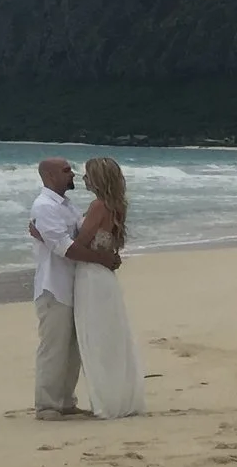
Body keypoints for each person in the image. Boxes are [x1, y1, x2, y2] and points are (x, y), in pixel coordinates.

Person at [72, 156, 147, 418]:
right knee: (110, 337)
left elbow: (80, 243)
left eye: (88, 174)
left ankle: (107, 401)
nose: (83, 179)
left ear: (98, 179)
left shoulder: (98, 206)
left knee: (97, 339)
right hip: (104, 277)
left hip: (91, 276)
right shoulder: (116, 207)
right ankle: (118, 397)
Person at [26, 157, 91, 418]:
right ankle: (47, 404)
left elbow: (80, 235)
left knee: (72, 348)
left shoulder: (67, 206)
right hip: (53, 286)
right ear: (50, 176)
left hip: (73, 284)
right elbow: (65, 247)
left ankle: (65, 401)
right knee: (53, 347)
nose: (72, 175)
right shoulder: (44, 206)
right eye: (66, 171)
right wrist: (103, 259)